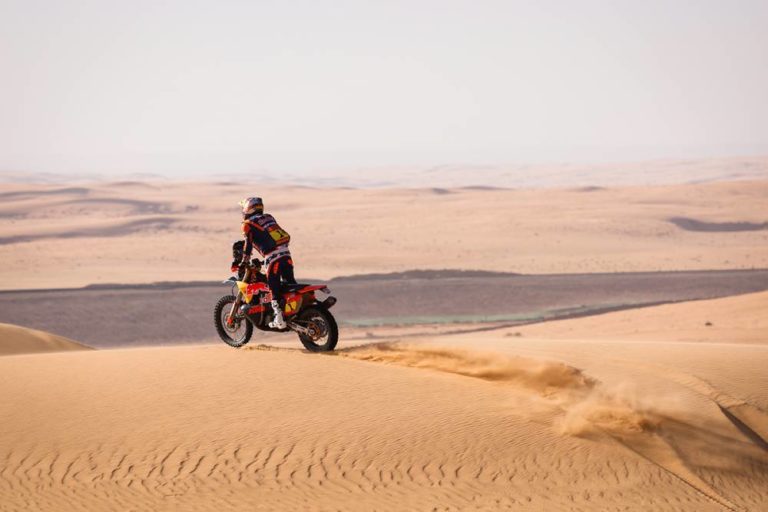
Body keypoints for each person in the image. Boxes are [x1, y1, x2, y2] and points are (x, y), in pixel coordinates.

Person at [234, 197, 296, 329]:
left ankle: (279, 318)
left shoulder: (247, 224)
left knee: (273, 287)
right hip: (286, 254)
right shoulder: (269, 217)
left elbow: (248, 244)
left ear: (248, 209)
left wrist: (244, 261)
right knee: (290, 284)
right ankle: (295, 313)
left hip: (273, 257)